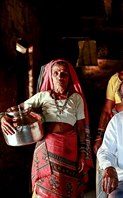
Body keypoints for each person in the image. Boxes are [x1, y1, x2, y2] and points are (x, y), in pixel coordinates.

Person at [0, 59, 93, 197]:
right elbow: (18, 110)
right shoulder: (42, 96)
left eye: (64, 74)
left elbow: (80, 129)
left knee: (67, 187)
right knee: (46, 185)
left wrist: (83, 153)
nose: (60, 77)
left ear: (69, 78)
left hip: (69, 148)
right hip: (47, 147)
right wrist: (2, 116)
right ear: (50, 76)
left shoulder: (76, 98)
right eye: (56, 73)